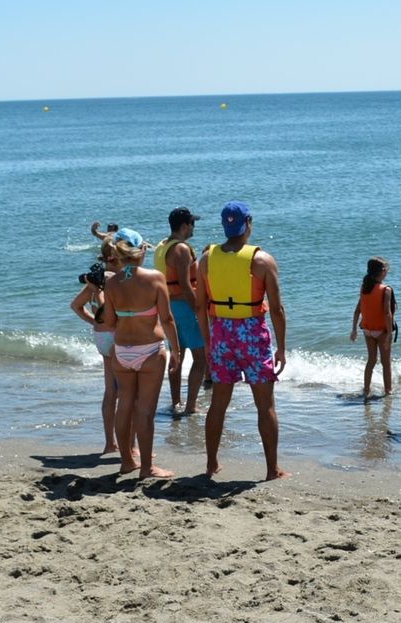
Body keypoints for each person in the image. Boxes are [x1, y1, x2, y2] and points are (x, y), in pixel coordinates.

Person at [195, 200, 287, 480]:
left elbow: (200, 306)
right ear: (248, 223)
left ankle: (211, 464)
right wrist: (281, 348)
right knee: (265, 405)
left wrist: (209, 341)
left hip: (222, 333)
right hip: (252, 335)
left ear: (225, 225)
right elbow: (278, 309)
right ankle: (272, 470)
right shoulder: (261, 260)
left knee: (218, 404)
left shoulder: (207, 258)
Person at [101, 228, 178, 479]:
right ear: (141, 250)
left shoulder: (110, 282)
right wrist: (176, 350)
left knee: (124, 406)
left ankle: (126, 462)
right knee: (145, 412)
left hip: (122, 351)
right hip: (150, 351)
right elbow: (166, 318)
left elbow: (110, 321)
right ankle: (146, 468)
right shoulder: (155, 278)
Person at [68, 242, 127, 460]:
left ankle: (110, 443)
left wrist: (94, 322)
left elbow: (76, 306)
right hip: (116, 337)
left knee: (111, 390)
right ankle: (129, 445)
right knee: (127, 392)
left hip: (101, 338)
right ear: (116, 257)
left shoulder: (95, 280)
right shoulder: (115, 279)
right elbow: (111, 310)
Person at [154, 207, 207, 416]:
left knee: (177, 355)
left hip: (168, 307)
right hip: (184, 307)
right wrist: (198, 309)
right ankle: (191, 406)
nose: (194, 227)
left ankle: (176, 402)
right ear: (185, 226)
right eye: (193, 223)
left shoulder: (162, 246)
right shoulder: (182, 250)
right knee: (201, 357)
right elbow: (185, 285)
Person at [350, 257, 396, 399]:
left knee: (371, 360)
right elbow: (387, 314)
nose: (387, 271)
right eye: (385, 269)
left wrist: (354, 329)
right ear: (382, 272)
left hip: (368, 330)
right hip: (381, 331)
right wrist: (389, 333)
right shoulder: (386, 290)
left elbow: (358, 310)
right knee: (386, 363)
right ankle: (388, 391)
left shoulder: (364, 288)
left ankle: (366, 389)